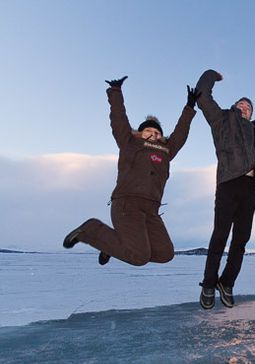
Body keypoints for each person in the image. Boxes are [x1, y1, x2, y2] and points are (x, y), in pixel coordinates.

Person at [63, 76, 198, 266]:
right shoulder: (129, 142)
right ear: (139, 133)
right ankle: (91, 230)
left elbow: (181, 134)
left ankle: (111, 245)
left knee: (165, 254)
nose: (153, 134)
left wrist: (189, 107)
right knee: (139, 257)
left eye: (157, 133)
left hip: (152, 209)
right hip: (127, 204)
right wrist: (116, 92)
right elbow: (118, 119)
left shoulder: (167, 151)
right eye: (148, 131)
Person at [195, 69, 255, 310]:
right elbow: (202, 97)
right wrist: (210, 76)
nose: (245, 107)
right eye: (241, 103)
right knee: (219, 236)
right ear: (234, 106)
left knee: (241, 240)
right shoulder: (222, 120)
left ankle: (226, 283)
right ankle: (208, 284)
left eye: (248, 106)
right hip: (228, 182)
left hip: (250, 188)